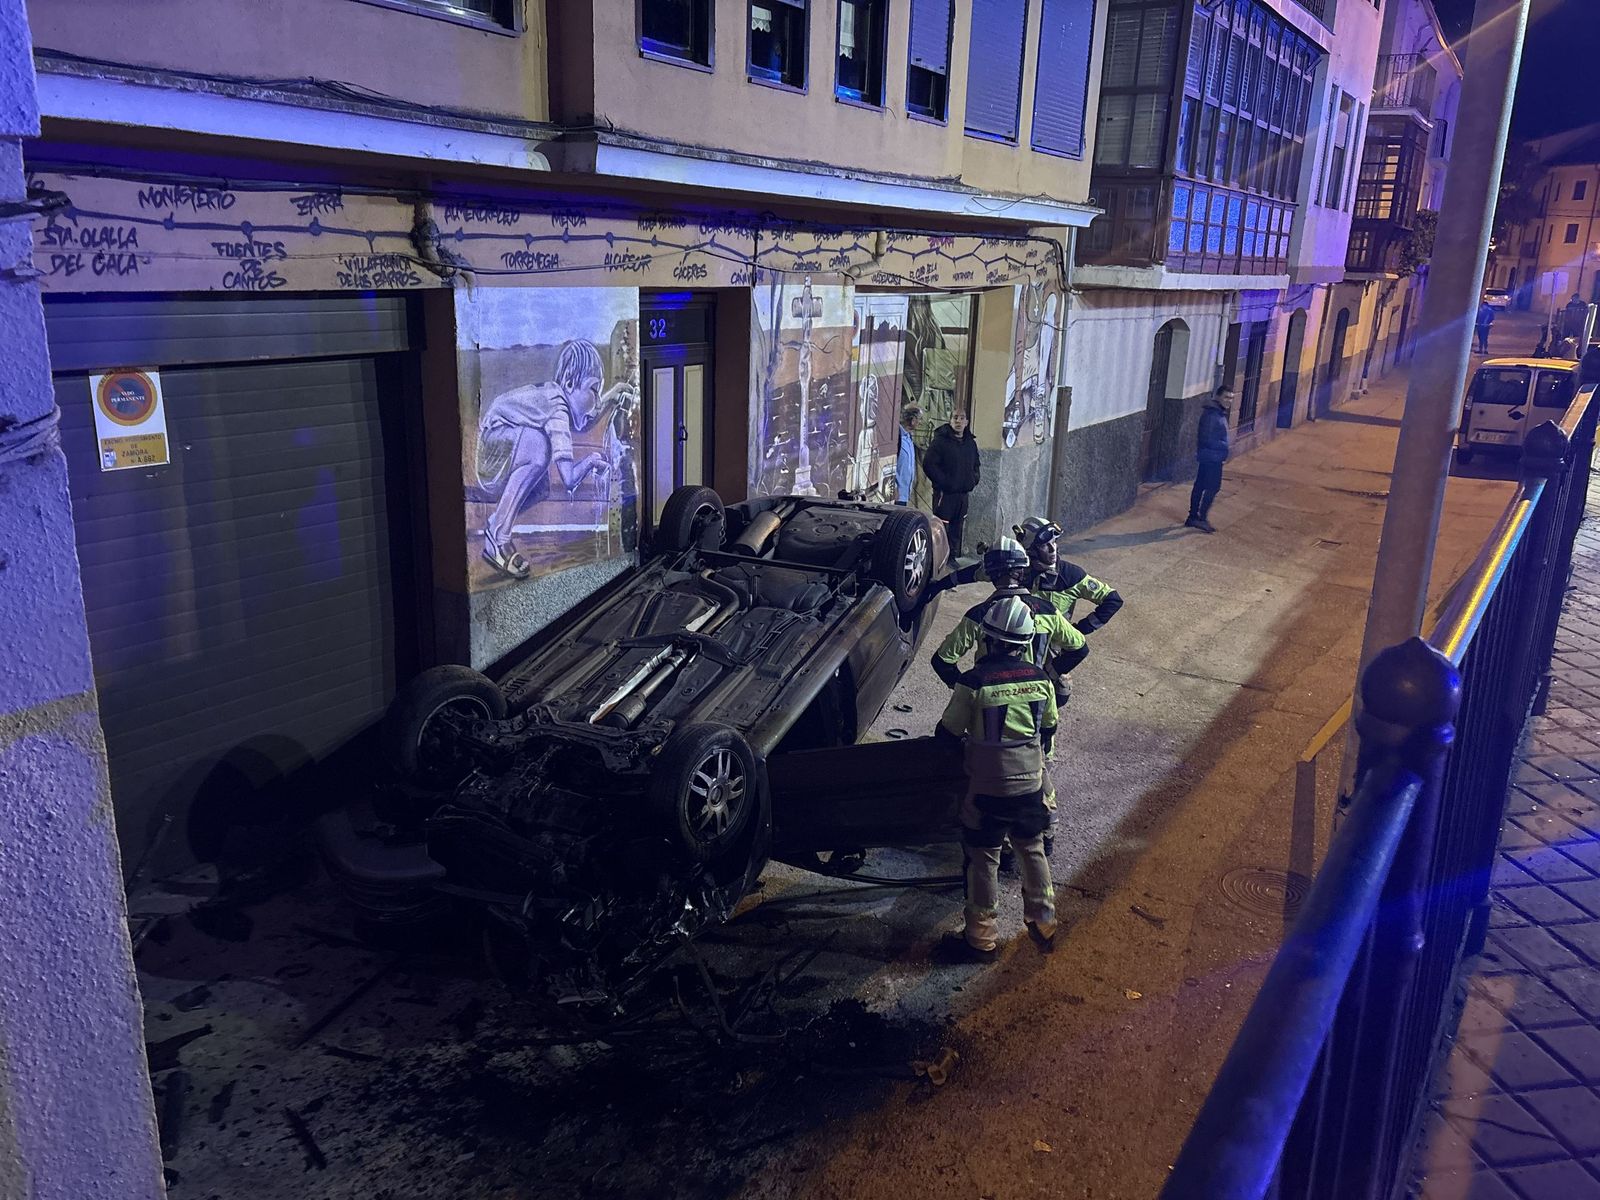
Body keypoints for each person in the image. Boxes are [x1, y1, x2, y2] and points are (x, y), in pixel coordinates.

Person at [931, 538, 1087, 856]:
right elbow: (1079, 647)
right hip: (1037, 705)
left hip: (992, 713)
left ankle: (998, 846)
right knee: (1040, 769)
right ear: (1023, 570)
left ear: (990, 574)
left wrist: (967, 689)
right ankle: (1045, 834)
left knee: (991, 777)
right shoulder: (1047, 611)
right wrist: (1050, 674)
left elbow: (942, 660)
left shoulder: (981, 614)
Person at [936, 595, 1059, 960]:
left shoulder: (974, 682)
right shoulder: (1041, 679)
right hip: (1031, 784)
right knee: (1032, 848)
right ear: (1025, 642)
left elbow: (947, 733)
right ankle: (1044, 921)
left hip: (988, 788)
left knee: (983, 859)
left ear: (988, 639)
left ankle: (980, 939)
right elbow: (1049, 727)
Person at [476, 339, 634, 580]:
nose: (596, 400)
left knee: (541, 489)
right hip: (493, 449)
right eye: (593, 390)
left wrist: (612, 395)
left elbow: (584, 422)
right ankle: (499, 537)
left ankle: (497, 522)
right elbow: (569, 479)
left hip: (501, 446)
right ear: (569, 383)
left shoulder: (559, 399)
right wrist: (591, 460)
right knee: (540, 447)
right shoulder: (557, 408)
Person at [922, 408, 981, 556]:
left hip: (962, 495)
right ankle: (938, 557)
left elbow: (976, 464)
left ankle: (952, 556)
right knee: (941, 528)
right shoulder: (940, 442)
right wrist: (945, 483)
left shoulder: (970, 443)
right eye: (955, 418)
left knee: (957, 528)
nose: (958, 421)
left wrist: (973, 480)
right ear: (950, 421)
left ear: (966, 422)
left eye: (962, 418)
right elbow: (929, 464)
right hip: (945, 494)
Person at [1187, 386, 1233, 534]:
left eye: (1231, 398)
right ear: (1218, 397)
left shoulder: (1217, 412)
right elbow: (1207, 438)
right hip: (1212, 457)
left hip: (1211, 456)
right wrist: (1224, 446)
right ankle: (1200, 518)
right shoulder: (1213, 415)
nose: (1229, 401)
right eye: (1226, 397)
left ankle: (1194, 516)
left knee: (1201, 485)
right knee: (1212, 487)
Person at [895, 404, 920, 505]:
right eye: (919, 419)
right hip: (896, 494)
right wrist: (894, 487)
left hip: (905, 494)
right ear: (913, 420)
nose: (920, 423)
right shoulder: (898, 437)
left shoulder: (909, 438)